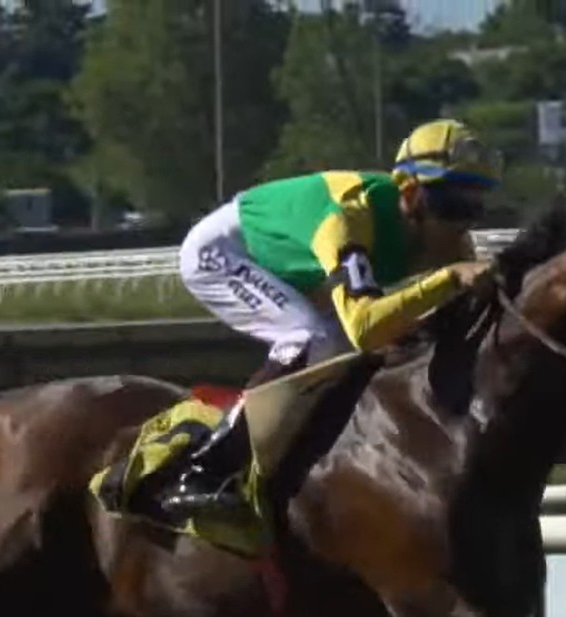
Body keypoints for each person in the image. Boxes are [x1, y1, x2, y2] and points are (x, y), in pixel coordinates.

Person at [155, 118, 503, 519]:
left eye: (475, 205)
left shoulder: (450, 238)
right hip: (224, 253)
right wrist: (449, 279)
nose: (463, 222)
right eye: (453, 206)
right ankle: (206, 469)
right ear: (409, 193)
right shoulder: (347, 220)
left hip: (297, 267)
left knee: (358, 348)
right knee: (310, 339)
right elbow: (365, 328)